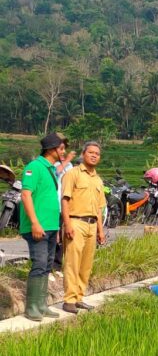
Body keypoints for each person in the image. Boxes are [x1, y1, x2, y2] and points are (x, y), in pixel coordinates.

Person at [18, 133, 65, 321]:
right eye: (61, 148)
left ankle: (42, 304)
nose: (64, 152)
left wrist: (57, 228)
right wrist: (35, 223)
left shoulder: (51, 170)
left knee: (47, 265)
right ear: (51, 149)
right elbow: (26, 195)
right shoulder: (34, 167)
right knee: (38, 264)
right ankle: (32, 307)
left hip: (51, 226)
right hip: (38, 226)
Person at [60, 141, 107, 314]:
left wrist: (100, 231)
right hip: (76, 222)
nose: (94, 155)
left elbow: (100, 208)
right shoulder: (73, 174)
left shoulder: (98, 180)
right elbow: (65, 200)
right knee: (72, 262)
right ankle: (69, 300)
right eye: (91, 152)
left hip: (92, 225)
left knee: (86, 264)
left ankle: (79, 297)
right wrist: (67, 224)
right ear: (83, 154)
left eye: (97, 153)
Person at [51, 133, 76, 278]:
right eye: (60, 149)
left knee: (63, 235)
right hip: (54, 205)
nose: (63, 152)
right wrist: (67, 160)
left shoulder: (70, 166)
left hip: (65, 206)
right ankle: (50, 266)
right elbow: (56, 172)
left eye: (64, 149)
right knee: (53, 236)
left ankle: (58, 265)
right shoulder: (53, 164)